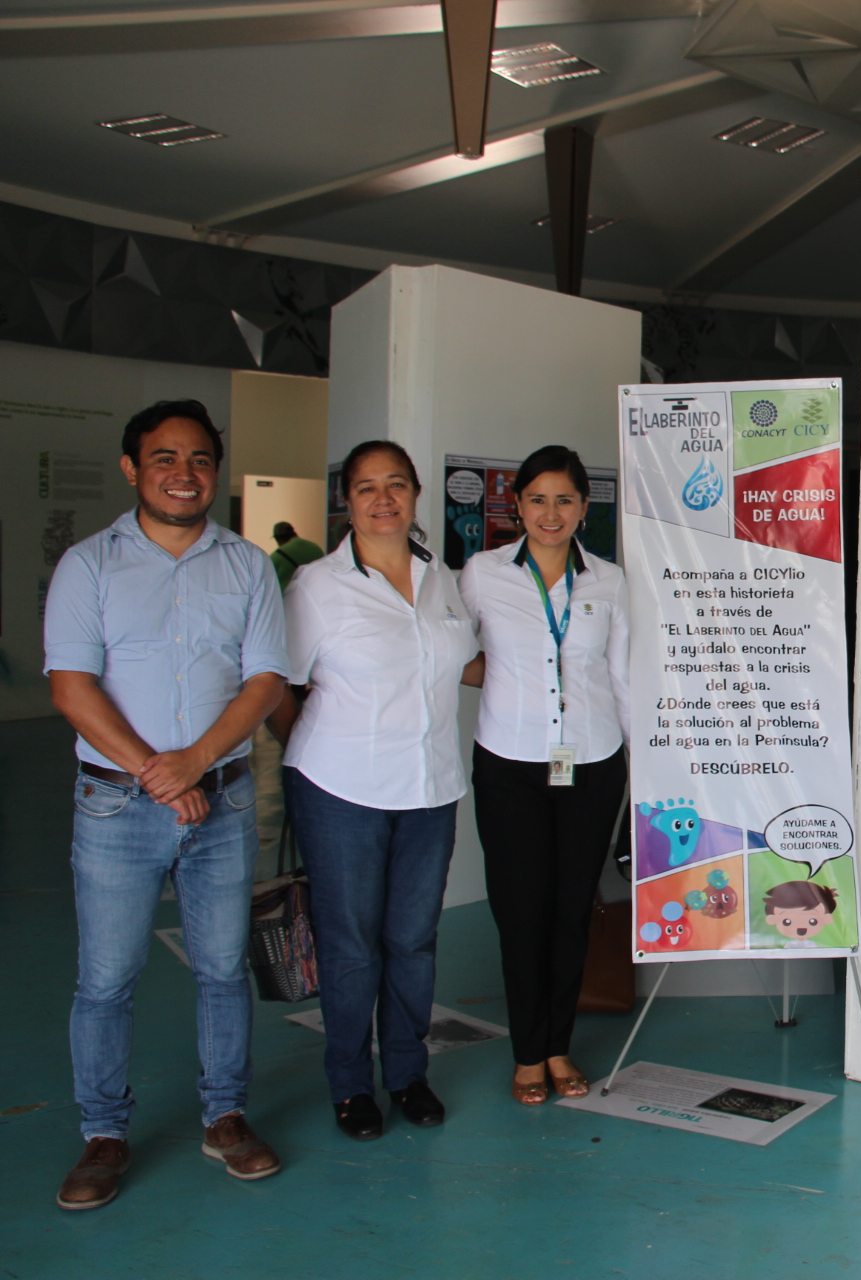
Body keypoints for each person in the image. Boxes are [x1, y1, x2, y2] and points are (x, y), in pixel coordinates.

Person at [44, 399, 288, 1210]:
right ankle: (104, 1136)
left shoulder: (247, 565)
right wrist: (159, 771)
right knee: (107, 980)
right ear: (132, 468)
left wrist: (196, 763)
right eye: (164, 458)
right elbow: (72, 688)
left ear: (214, 472)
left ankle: (225, 1117)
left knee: (223, 971)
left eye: (198, 460)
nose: (184, 475)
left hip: (217, 806)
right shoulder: (89, 565)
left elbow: (265, 683)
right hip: (117, 807)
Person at [270, 440, 478, 1141]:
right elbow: (279, 686)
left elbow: (465, 663)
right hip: (341, 787)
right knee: (352, 944)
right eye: (366, 487)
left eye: (395, 484)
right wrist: (308, 751)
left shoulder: (442, 579)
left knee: (414, 940)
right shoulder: (318, 589)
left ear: (416, 494)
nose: (382, 498)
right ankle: (351, 1085)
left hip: (430, 787)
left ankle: (408, 1075)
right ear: (347, 501)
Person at [459, 445, 630, 1105]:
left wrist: (644, 766)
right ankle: (527, 1054)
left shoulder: (610, 582)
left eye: (564, 499)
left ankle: (559, 1046)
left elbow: (621, 673)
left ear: (584, 507)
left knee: (569, 912)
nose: (550, 513)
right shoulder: (481, 574)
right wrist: (500, 677)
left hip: (591, 763)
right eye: (537, 499)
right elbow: (449, 649)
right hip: (510, 764)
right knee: (519, 911)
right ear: (516, 506)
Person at [268, 520, 324, 591]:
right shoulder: (315, 548)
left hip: (291, 599)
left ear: (278, 538)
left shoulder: (278, 555)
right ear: (294, 533)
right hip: (317, 594)